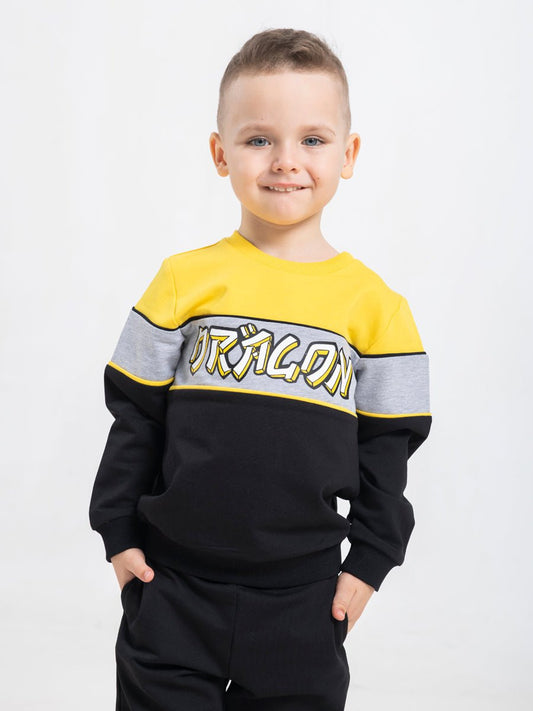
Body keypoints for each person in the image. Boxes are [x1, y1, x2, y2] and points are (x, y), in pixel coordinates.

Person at [89, 27, 432, 711]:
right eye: (258, 139)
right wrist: (118, 534)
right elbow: (134, 418)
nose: (285, 162)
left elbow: (386, 456)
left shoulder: (378, 310)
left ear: (348, 154)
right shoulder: (182, 282)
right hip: (172, 586)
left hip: (302, 601)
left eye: (312, 139)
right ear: (221, 154)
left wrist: (368, 563)